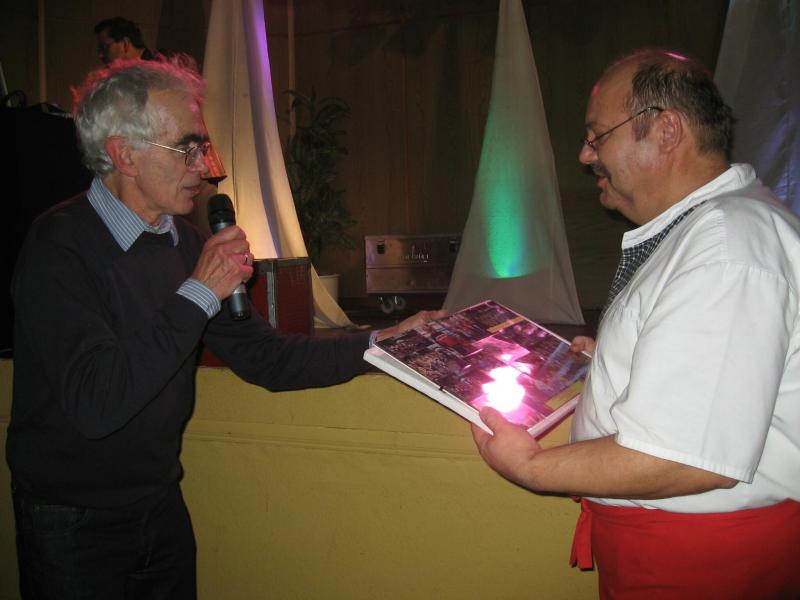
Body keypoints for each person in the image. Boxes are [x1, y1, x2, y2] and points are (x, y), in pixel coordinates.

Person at [7, 56, 438, 599]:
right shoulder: (59, 245)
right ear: (124, 155)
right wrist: (199, 290)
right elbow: (97, 403)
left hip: (159, 503)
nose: (205, 167)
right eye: (185, 149)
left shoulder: (183, 243)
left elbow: (268, 359)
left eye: (201, 147)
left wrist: (383, 344)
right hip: (72, 520)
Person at [472, 48, 800, 598]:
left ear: (666, 131)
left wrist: (530, 465)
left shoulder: (725, 243)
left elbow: (684, 455)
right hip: (683, 546)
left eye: (597, 136)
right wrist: (610, 363)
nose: (585, 155)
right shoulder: (711, 229)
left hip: (702, 562)